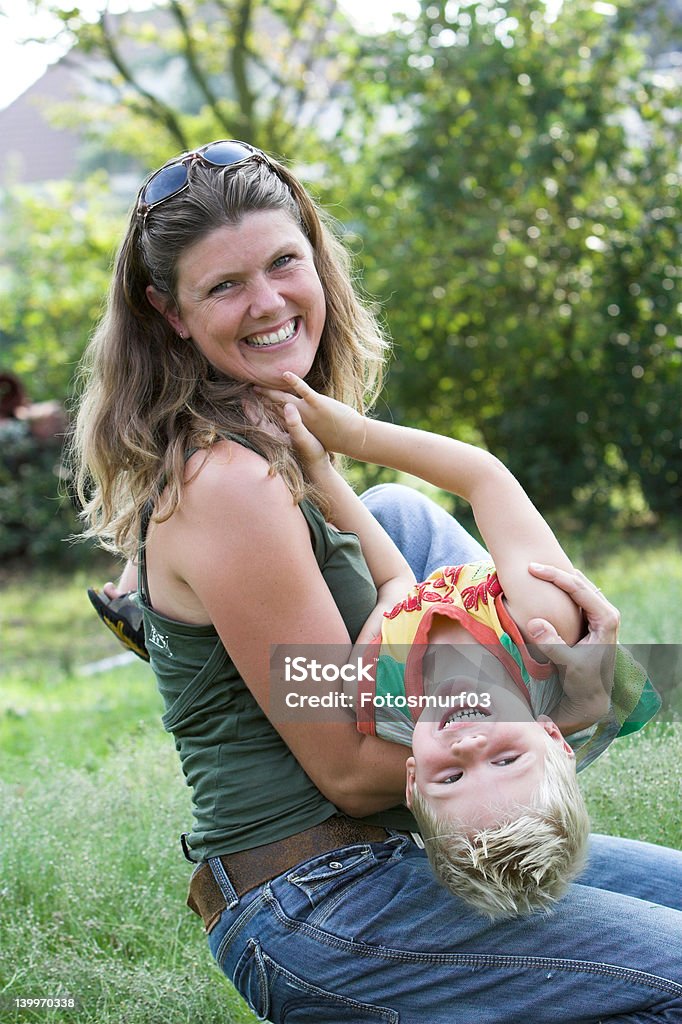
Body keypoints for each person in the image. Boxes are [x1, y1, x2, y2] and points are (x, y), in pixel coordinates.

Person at [73, 139, 682, 1023]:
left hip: (406, 847)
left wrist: (562, 679)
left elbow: (431, 605)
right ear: (170, 314)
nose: (269, 301)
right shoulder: (225, 483)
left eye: (285, 263)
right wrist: (571, 704)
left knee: (397, 514)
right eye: (224, 286)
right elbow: (357, 774)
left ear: (317, 260)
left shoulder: (290, 451)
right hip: (317, 896)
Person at [257, 372, 657, 918]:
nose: (470, 746)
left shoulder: (373, 687)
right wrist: (353, 435)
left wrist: (320, 468)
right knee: (397, 503)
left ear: (413, 777)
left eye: (452, 776)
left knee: (372, 518)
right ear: (552, 736)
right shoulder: (546, 623)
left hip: (411, 584)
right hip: (486, 595)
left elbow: (395, 584)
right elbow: (484, 478)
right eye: (507, 757)